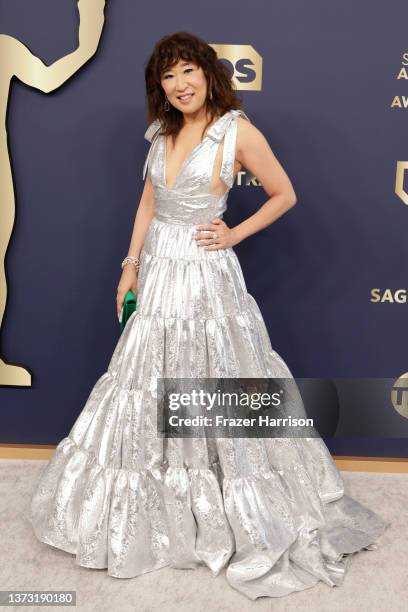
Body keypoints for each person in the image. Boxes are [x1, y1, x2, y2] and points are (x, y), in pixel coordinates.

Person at [30, 31, 389, 601]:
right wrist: (130, 266)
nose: (178, 85)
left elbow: (283, 193)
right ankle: (161, 504)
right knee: (144, 381)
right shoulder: (161, 132)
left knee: (210, 372)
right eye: (167, 77)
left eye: (187, 72)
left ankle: (223, 502)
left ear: (208, 73)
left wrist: (234, 233)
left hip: (203, 275)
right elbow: (148, 202)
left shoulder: (237, 130)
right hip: (157, 271)